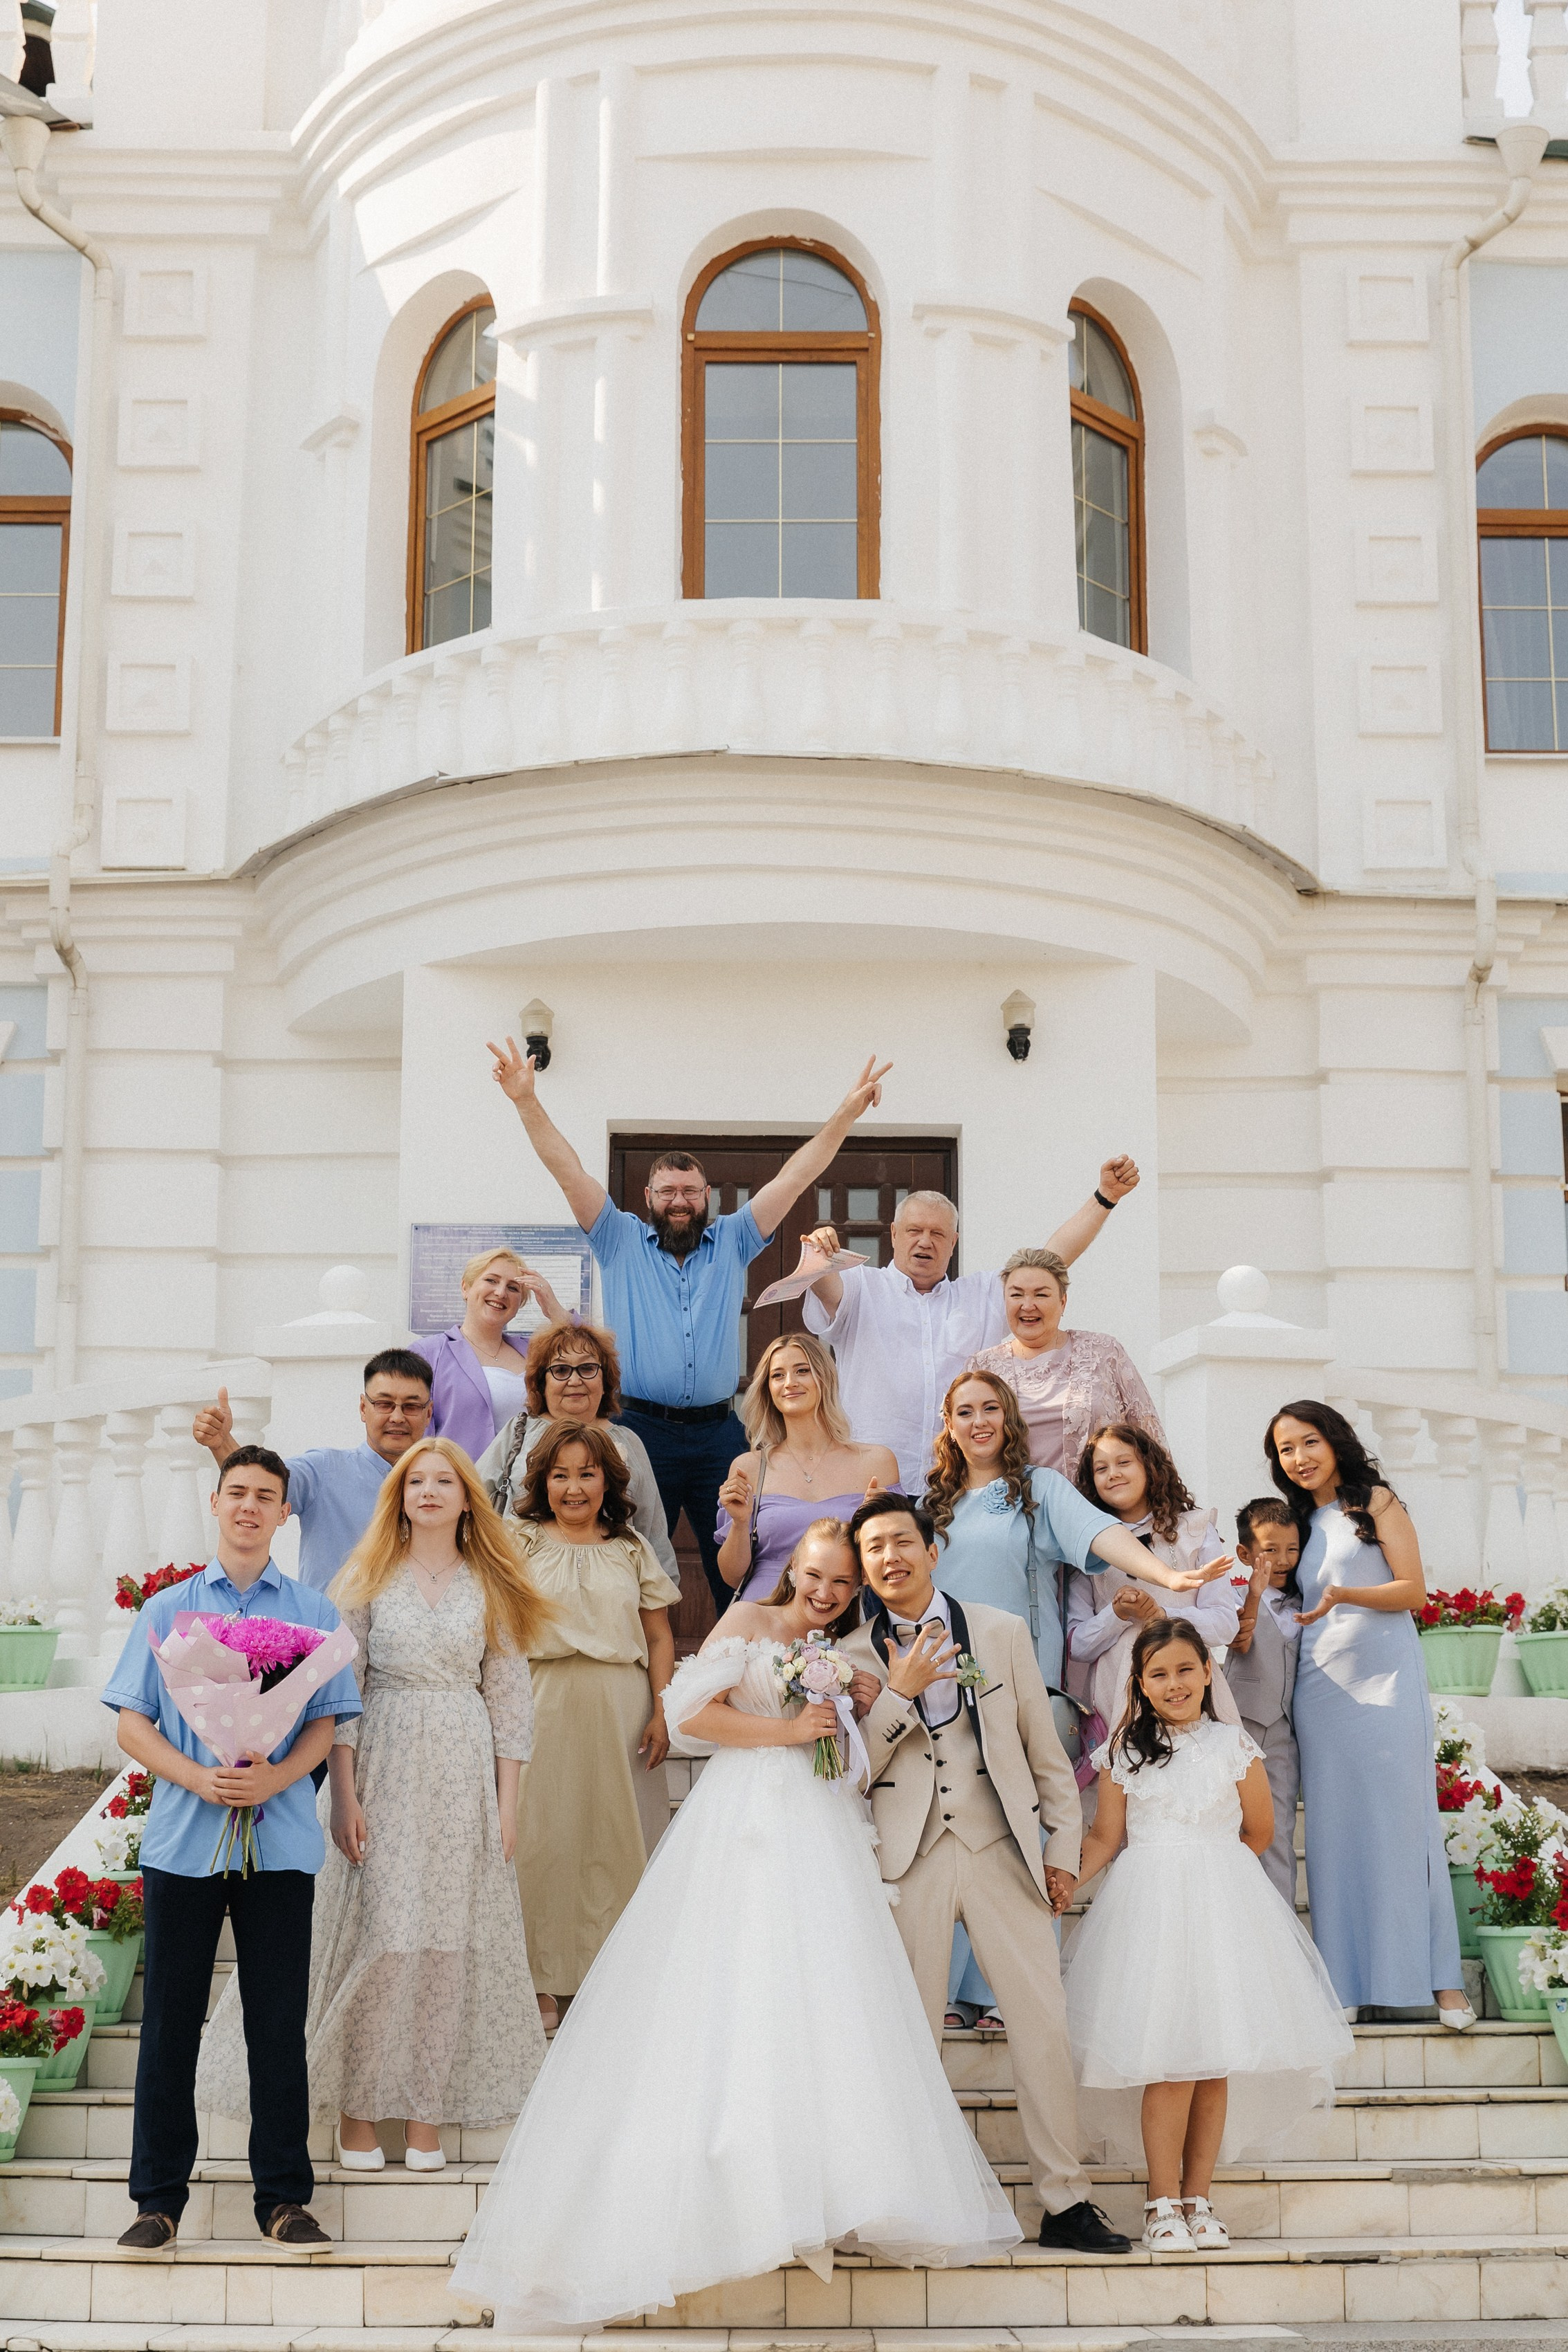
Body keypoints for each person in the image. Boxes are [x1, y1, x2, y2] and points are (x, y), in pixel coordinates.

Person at [450, 1518, 1020, 2333]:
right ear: (792, 1568)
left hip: (819, 1823)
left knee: (821, 1995)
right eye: (816, 1575)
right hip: (744, 1816)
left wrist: (866, 1702)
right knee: (734, 1982)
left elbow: (855, 1759)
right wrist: (788, 1730)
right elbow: (687, 1713)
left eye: (842, 1583)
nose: (826, 1593)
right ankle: (726, 2179)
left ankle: (825, 2182)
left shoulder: (848, 1651)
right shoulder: (747, 1619)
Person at [195, 1438, 553, 2167]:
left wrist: (506, 1805)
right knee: (385, 1942)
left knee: (445, 1949)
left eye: (444, 1480)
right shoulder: (366, 1580)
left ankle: (424, 2117)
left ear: (466, 1498)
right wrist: (344, 1796)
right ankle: (358, 2113)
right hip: (383, 1765)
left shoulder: (493, 1584)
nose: (429, 1491)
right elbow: (341, 1699)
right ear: (399, 1495)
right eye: (415, 1481)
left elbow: (510, 1702)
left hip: (461, 1771)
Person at [489, 1035, 893, 1614]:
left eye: (690, 1192)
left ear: (707, 1197)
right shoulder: (617, 1236)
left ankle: (755, 1657)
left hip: (717, 1434)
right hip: (638, 1427)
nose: (679, 1201)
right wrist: (525, 1100)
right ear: (648, 1197)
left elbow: (794, 1177)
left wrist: (846, 1114)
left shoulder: (734, 1238)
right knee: (627, 1559)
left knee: (740, 1566)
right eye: (667, 1192)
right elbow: (567, 1169)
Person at [841, 1491, 1132, 2258]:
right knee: (910, 2035)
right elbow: (849, 1771)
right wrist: (897, 1694)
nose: (890, 1557)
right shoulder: (848, 1655)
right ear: (863, 1568)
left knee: (1041, 2026)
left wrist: (1061, 1853)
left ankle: (1065, 2201)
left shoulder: (999, 1632)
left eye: (901, 1541)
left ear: (932, 1550)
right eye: (873, 1549)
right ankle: (907, 2196)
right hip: (907, 1859)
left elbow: (1046, 1754)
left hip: (1002, 1848)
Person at [100, 1446, 363, 2251]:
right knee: (168, 2024)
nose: (250, 1506)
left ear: (285, 1512)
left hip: (278, 1844)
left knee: (277, 2025)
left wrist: (277, 1775)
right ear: (215, 1501)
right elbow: (132, 1723)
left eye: (266, 1495)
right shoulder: (168, 1610)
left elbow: (326, 1722)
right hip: (183, 1841)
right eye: (237, 1492)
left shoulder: (313, 1612)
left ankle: (282, 2199)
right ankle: (156, 2201)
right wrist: (199, 1777)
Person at [923, 1373, 1230, 2033]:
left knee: (1018, 1831)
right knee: (950, 1832)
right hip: (942, 1689)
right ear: (948, 1424)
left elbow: (1100, 1536)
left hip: (1016, 1687)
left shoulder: (1036, 1489)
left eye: (991, 1408)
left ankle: (1004, 1989)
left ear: (1009, 1419)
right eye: (964, 1411)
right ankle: (947, 1986)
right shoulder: (932, 1505)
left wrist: (1166, 1575)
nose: (978, 1421)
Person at [1062, 1617, 1352, 2250]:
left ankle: (1198, 2198)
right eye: (1158, 1674)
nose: (1174, 1684)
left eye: (1184, 1670)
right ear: (1139, 1684)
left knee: (1213, 2061)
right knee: (1167, 2061)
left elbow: (1259, 1831)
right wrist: (1062, 1883)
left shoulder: (1233, 1745)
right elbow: (1105, 1837)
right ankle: (1160, 2203)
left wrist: (1213, 1877)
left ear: (1206, 1672)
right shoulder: (1122, 1752)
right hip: (1150, 1911)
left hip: (1221, 1907)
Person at [1267, 1400, 1473, 2028]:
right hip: (1319, 1692)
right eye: (1284, 1450)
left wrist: (1343, 1594)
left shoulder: (1375, 1502)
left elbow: (1413, 1591)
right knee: (1333, 1837)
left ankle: (1444, 1984)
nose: (1298, 1458)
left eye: (1308, 1442)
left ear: (1334, 1441)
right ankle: (1344, 1983)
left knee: (1405, 1827)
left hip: (1384, 1682)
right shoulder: (1297, 1522)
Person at [799, 1158, 1141, 1491]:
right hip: (871, 1486)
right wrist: (819, 1256)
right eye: (914, 1231)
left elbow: (1051, 1260)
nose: (925, 1241)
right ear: (893, 1234)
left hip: (953, 1490)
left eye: (937, 1233)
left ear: (953, 1242)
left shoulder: (978, 1296)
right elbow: (825, 1286)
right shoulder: (860, 1286)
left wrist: (1104, 1197)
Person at [509, 1421, 681, 2028]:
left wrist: (662, 1710)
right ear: (542, 1482)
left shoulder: (630, 1547)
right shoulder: (518, 1542)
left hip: (620, 1707)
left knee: (615, 1841)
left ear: (608, 1481)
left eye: (587, 1474)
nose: (574, 1488)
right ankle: (537, 1980)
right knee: (539, 1841)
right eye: (560, 1475)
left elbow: (658, 1637)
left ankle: (611, 1981)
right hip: (540, 1700)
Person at [192, 1351, 434, 1594]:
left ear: (429, 1413)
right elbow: (263, 1483)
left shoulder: (443, 1485)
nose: (397, 1417)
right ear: (363, 1408)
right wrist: (222, 1443)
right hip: (330, 1617)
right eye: (384, 1404)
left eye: (412, 1406)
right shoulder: (324, 1471)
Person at [1067, 1422, 1244, 1737]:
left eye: (1124, 1462)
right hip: (1119, 1693)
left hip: (1188, 1691)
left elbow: (1224, 1624)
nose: (1113, 1474)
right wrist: (1117, 1615)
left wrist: (1162, 1615)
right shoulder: (1086, 1546)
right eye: (1101, 1468)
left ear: (1149, 1466)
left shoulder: (1196, 1530)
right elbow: (1078, 1646)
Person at [476, 1316, 678, 1583]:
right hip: (524, 1588)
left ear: (605, 1380)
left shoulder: (628, 1442)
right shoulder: (518, 1433)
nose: (574, 1380)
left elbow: (652, 1530)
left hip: (612, 1590)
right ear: (542, 1382)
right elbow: (473, 1503)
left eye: (587, 1368)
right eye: (561, 1370)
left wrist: (663, 1591)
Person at [715, 1331, 898, 1601]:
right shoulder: (750, 1467)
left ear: (825, 1378)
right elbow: (732, 1576)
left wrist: (878, 1528)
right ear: (768, 1389)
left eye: (802, 1370)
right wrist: (741, 1523)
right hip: (764, 1610)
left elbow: (894, 1565)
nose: (790, 1382)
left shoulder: (877, 1462)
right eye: (778, 1375)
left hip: (843, 1609)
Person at [967, 1249, 1165, 1480]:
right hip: (1015, 1501)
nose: (1028, 1305)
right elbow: (961, 1447)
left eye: (1041, 1295)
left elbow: (1149, 1435)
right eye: (1016, 1295)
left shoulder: (1104, 1351)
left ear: (1063, 1302)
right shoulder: (982, 1366)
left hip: (1097, 1500)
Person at [1223, 1498, 1304, 1908]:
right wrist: (1255, 1594)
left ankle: (1282, 1927)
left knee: (1278, 1833)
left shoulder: (1307, 1601)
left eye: (1293, 1549)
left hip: (1285, 1735)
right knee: (1233, 1830)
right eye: (1271, 1550)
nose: (1284, 1560)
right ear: (1245, 1554)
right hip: (1240, 1727)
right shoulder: (1232, 1597)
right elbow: (1240, 1641)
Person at [423, 1247, 568, 1460]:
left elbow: (592, 1361)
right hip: (463, 1476)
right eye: (491, 1280)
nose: (501, 1293)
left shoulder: (538, 1352)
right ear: (465, 1288)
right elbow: (417, 1433)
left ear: (520, 1303)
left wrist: (556, 1311)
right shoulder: (429, 1353)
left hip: (533, 1477)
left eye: (513, 1288)